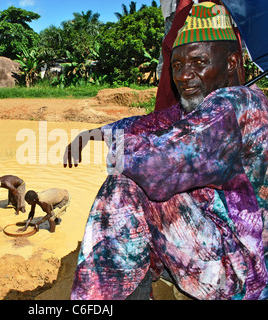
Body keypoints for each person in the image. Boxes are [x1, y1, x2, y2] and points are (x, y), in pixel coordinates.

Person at [64, 2, 268, 300]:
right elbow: (145, 122)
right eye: (177, 65)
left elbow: (157, 168)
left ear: (232, 63)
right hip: (213, 251)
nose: (184, 75)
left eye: (199, 62)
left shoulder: (238, 102)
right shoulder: (202, 108)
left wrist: (120, 153)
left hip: (237, 274)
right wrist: (91, 134)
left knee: (127, 183)